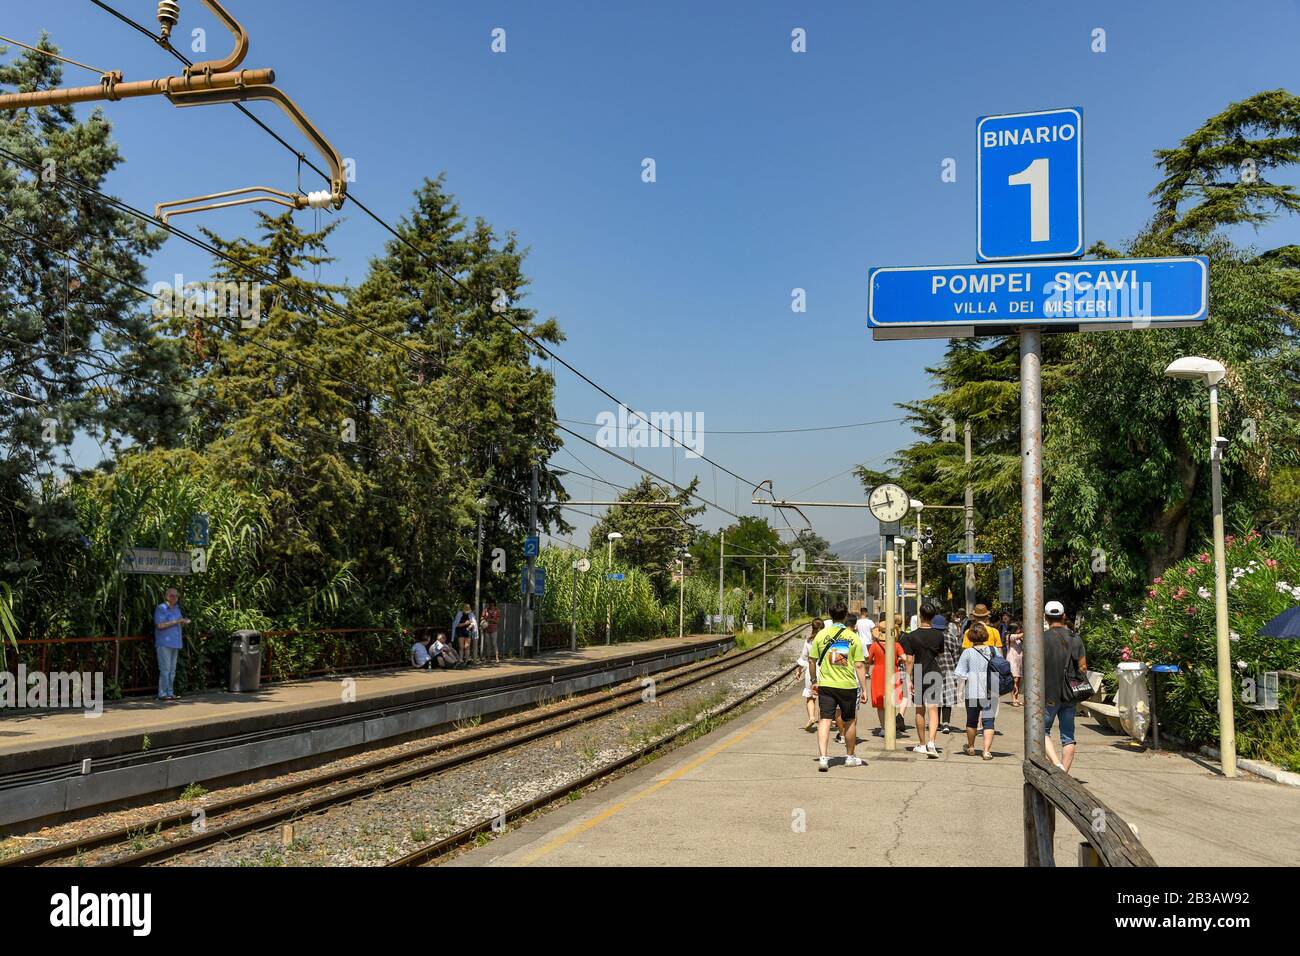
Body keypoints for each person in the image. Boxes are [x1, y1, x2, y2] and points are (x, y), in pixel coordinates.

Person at [808, 603, 868, 772]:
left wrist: (814, 679)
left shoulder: (821, 635)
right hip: (848, 685)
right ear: (846, 615)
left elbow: (811, 660)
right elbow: (859, 666)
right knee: (849, 721)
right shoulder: (853, 637)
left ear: (830, 614)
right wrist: (864, 689)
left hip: (826, 684)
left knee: (825, 720)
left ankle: (823, 758)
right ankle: (850, 757)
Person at [1043, 600, 1088, 773]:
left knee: (1041, 731)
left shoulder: (1040, 638)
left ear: (1046, 618)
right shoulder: (1075, 638)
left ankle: (1056, 764)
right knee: (1068, 737)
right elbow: (1083, 667)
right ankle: (1064, 774)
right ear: (1064, 616)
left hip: (1048, 693)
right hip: (1070, 694)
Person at [902, 604, 946, 758]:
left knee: (919, 709)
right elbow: (940, 654)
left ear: (920, 615)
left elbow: (909, 660)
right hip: (934, 671)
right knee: (933, 709)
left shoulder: (911, 636)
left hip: (919, 672)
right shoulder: (939, 635)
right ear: (933, 617)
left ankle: (922, 744)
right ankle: (932, 743)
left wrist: (908, 678)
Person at [954, 624, 1002, 760]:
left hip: (973, 691)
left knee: (971, 721)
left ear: (970, 637)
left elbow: (962, 675)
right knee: (989, 721)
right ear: (985, 635)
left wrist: (960, 692)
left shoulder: (967, 652)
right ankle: (986, 751)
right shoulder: (993, 651)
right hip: (991, 690)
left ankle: (970, 747)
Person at [867, 617, 908, 737]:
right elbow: (905, 658)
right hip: (893, 672)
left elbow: (868, 660)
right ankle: (891, 725)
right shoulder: (896, 645)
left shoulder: (874, 645)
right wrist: (898, 660)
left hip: (878, 673)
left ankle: (884, 728)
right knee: (892, 699)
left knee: (880, 703)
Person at [153, 588, 190, 701]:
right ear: (168, 596)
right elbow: (159, 625)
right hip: (164, 643)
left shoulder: (176, 608)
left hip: (175, 643)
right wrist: (178, 621)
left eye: (177, 596)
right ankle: (162, 694)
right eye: (173, 596)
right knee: (165, 670)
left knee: (172, 670)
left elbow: (177, 623)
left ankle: (170, 693)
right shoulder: (161, 608)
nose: (176, 598)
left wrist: (183, 622)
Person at [797, 623, 818, 733]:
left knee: (810, 697)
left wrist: (799, 671)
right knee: (826, 697)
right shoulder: (827, 640)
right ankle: (827, 720)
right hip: (825, 671)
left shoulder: (809, 641)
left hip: (811, 671)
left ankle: (811, 717)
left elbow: (803, 657)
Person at [1005, 620, 1025, 706]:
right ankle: (1013, 699)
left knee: (1018, 679)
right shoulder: (1010, 636)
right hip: (1012, 659)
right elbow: (1021, 635)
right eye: (1018, 628)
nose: (1019, 630)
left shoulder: (1018, 637)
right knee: (1015, 679)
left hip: (1019, 660)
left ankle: (1016, 698)